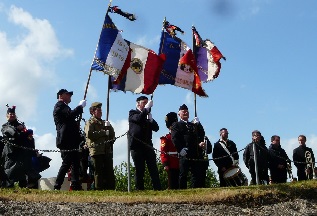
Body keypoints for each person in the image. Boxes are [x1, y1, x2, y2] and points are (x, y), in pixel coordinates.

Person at [53, 89, 86, 190]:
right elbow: (70, 114)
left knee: (76, 162)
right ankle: (57, 185)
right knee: (67, 163)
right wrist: (80, 107)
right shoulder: (59, 105)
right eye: (67, 94)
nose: (70, 96)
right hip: (66, 139)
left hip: (72, 139)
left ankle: (76, 185)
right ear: (61, 95)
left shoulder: (65, 106)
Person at [1, 106, 41, 188]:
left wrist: (33, 151)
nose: (12, 115)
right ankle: (8, 187)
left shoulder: (21, 125)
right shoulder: (5, 126)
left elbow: (29, 139)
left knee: (22, 171)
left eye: (13, 114)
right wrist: (17, 129)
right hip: (10, 153)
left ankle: (23, 187)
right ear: (7, 116)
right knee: (8, 171)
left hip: (21, 152)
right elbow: (11, 132)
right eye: (10, 114)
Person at [128, 96, 161, 190]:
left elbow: (156, 128)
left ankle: (157, 188)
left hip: (147, 145)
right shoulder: (133, 113)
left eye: (147, 103)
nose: (146, 105)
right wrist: (146, 109)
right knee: (139, 169)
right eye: (144, 102)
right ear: (138, 103)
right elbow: (138, 118)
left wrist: (151, 120)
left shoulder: (147, 115)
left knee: (153, 168)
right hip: (136, 146)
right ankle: (139, 189)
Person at [171, 104, 207, 189]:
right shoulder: (176, 125)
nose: (186, 113)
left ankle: (195, 190)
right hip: (185, 152)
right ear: (179, 114)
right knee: (183, 174)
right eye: (183, 111)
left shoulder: (193, 125)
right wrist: (180, 149)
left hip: (195, 152)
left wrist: (199, 124)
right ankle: (182, 191)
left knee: (196, 174)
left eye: (187, 111)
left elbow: (201, 134)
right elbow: (174, 138)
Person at [84, 102, 116, 190]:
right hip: (96, 150)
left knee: (109, 171)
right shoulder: (90, 122)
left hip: (106, 150)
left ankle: (110, 188)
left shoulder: (104, 123)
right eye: (98, 110)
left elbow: (112, 137)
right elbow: (89, 134)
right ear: (93, 112)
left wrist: (109, 127)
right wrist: (103, 132)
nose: (101, 112)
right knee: (98, 172)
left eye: (101, 110)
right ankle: (99, 189)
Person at [160, 112, 179, 189]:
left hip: (180, 161)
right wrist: (165, 164)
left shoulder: (179, 137)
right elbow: (163, 152)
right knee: (172, 183)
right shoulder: (166, 138)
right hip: (171, 163)